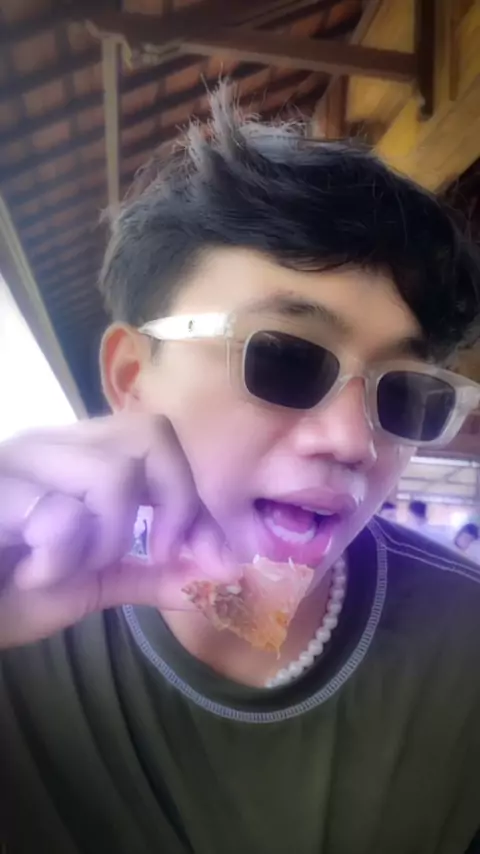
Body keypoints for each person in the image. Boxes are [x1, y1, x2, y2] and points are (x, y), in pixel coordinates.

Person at [1, 89, 480, 854]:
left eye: (405, 393)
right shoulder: (21, 607)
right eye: (284, 358)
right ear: (131, 377)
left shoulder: (464, 646)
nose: (353, 442)